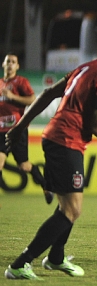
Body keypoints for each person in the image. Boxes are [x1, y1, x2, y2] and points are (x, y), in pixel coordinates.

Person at [4, 31, 97, 280]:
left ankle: (55, 258)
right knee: (72, 210)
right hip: (66, 140)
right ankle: (21, 264)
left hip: (56, 136)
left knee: (68, 207)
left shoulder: (87, 67)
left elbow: (48, 94)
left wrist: (21, 126)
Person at [0, 53, 53, 204]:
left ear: (17, 66)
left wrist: (12, 96)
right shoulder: (0, 84)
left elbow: (31, 99)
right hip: (1, 130)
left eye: (13, 62)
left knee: (24, 166)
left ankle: (45, 185)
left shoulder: (21, 82)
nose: (10, 64)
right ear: (3, 65)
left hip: (17, 129)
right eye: (7, 61)